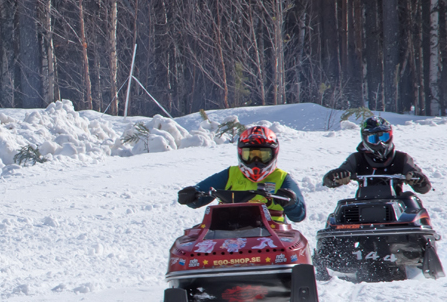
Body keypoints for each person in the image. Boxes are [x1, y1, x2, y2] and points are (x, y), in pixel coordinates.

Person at [176, 125, 306, 223]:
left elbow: (299, 215)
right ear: (240, 154)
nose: (256, 162)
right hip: (227, 234)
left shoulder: (282, 178)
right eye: (250, 155)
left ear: (274, 154)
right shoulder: (230, 174)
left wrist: (292, 202)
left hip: (273, 238)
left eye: (262, 156)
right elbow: (200, 195)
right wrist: (191, 195)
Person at [322, 116, 431, 197]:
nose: (380, 144)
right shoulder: (357, 159)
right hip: (363, 208)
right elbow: (328, 181)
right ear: (365, 139)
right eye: (374, 139)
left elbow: (425, 188)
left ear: (390, 136)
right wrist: (337, 176)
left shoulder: (401, 158)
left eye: (384, 137)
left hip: (397, 209)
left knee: (410, 199)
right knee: (344, 209)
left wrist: (417, 179)